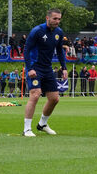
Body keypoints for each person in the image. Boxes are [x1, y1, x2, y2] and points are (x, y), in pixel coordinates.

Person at [22, 8, 68, 137]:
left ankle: (42, 124)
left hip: (47, 68)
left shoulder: (59, 32)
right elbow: (26, 50)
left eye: (59, 19)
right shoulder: (37, 31)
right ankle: (27, 129)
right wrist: (30, 68)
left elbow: (59, 51)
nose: (57, 21)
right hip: (35, 68)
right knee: (35, 94)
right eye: (55, 18)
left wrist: (64, 68)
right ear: (47, 18)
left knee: (54, 99)